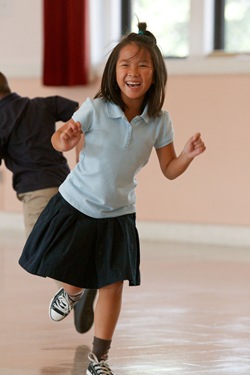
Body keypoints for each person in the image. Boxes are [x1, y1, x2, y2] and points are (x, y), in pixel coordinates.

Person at [19, 22, 206, 375]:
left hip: (119, 214)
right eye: (125, 64)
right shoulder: (96, 108)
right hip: (76, 206)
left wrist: (187, 154)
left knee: (113, 286)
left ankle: (99, 358)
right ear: (113, 72)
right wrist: (67, 137)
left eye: (143, 66)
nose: (133, 72)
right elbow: (59, 141)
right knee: (71, 274)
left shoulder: (158, 121)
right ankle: (73, 293)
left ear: (155, 76)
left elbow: (169, 169)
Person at [0, 72, 96, 334]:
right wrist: (80, 145)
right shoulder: (41, 104)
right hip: (66, 184)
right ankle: (77, 294)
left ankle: (77, 291)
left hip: (36, 191)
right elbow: (83, 111)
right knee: (62, 240)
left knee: (39, 247)